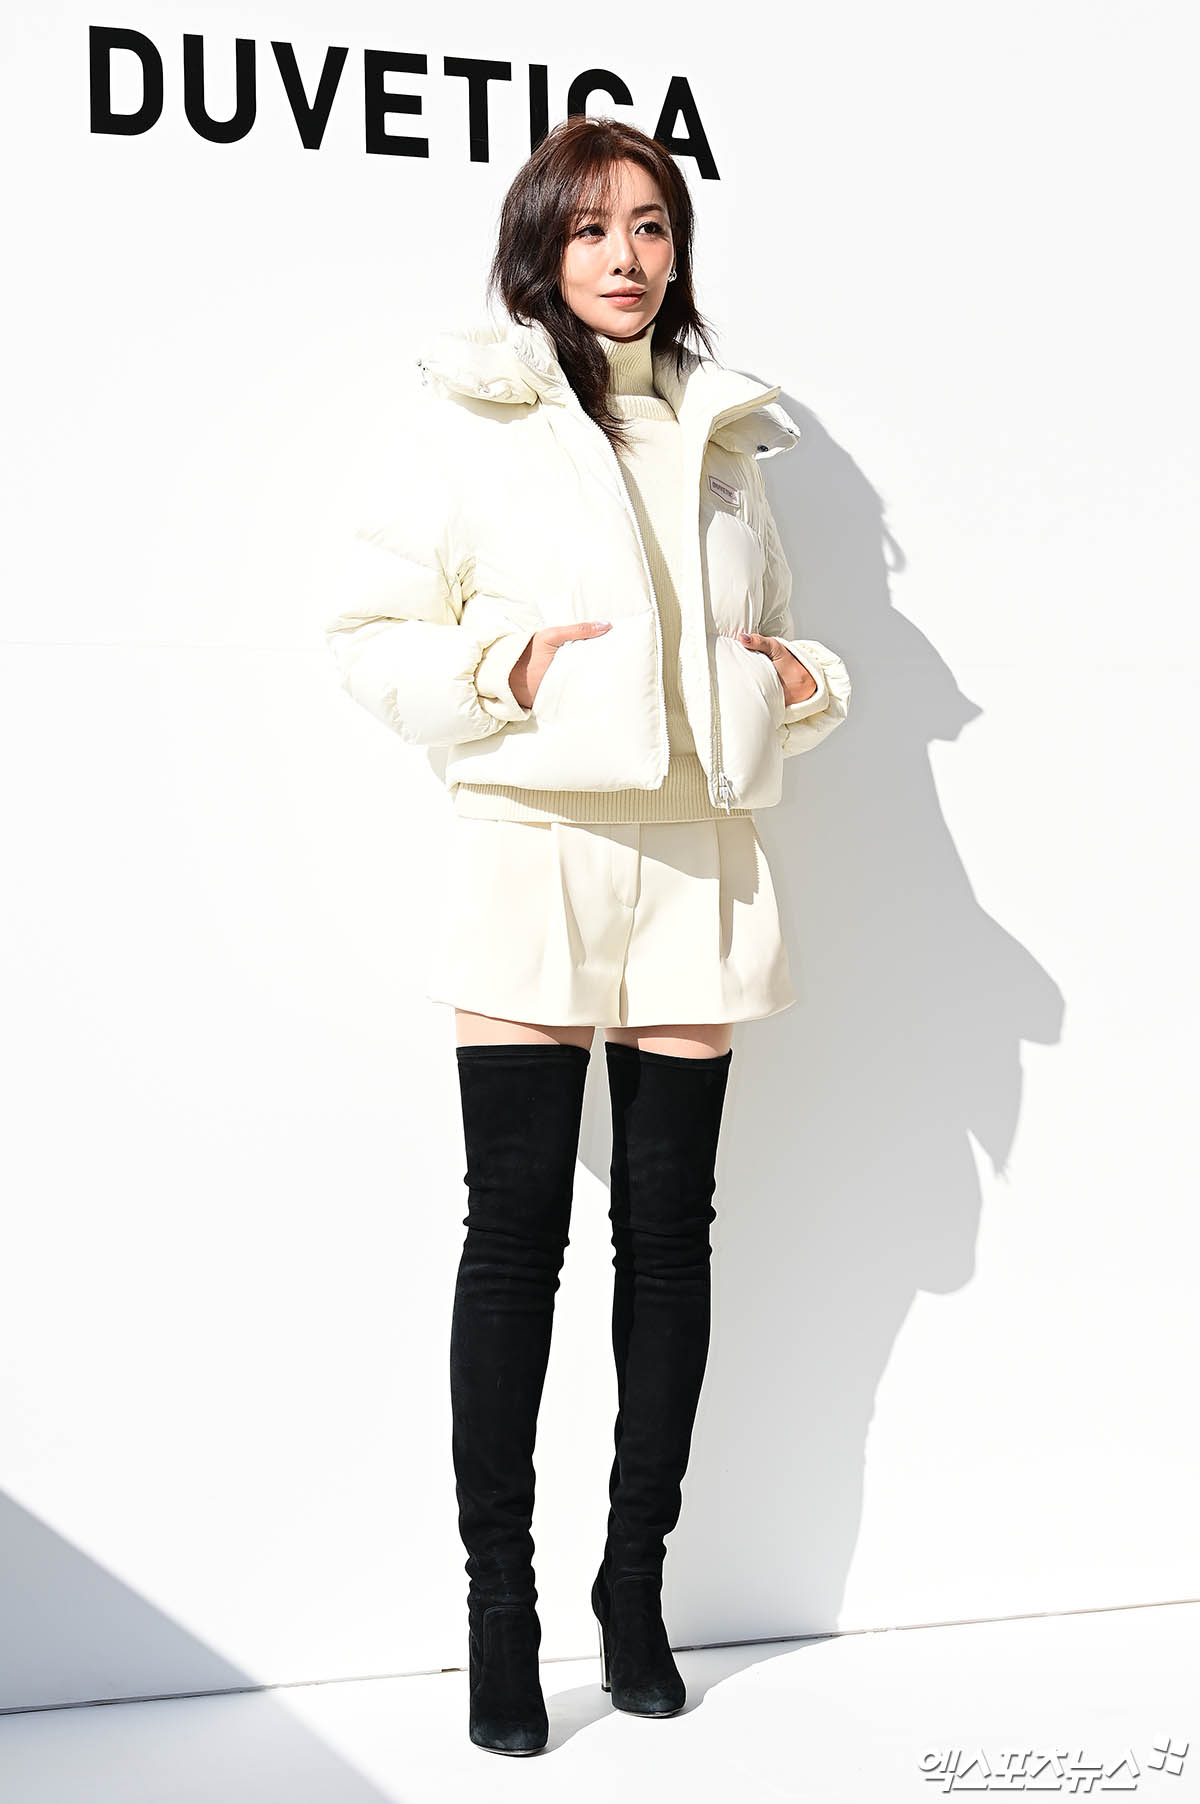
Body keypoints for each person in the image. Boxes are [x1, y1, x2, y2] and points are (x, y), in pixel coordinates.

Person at [323, 115, 851, 1755]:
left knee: (671, 1243)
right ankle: (503, 1610)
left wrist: (802, 681)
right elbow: (368, 634)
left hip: (696, 855)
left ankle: (636, 1591)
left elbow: (769, 633)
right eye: (593, 226)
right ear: (539, 247)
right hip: (533, 844)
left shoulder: (724, 433)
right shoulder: (473, 420)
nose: (627, 254)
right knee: (515, 1239)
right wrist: (508, 670)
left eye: (653, 224)